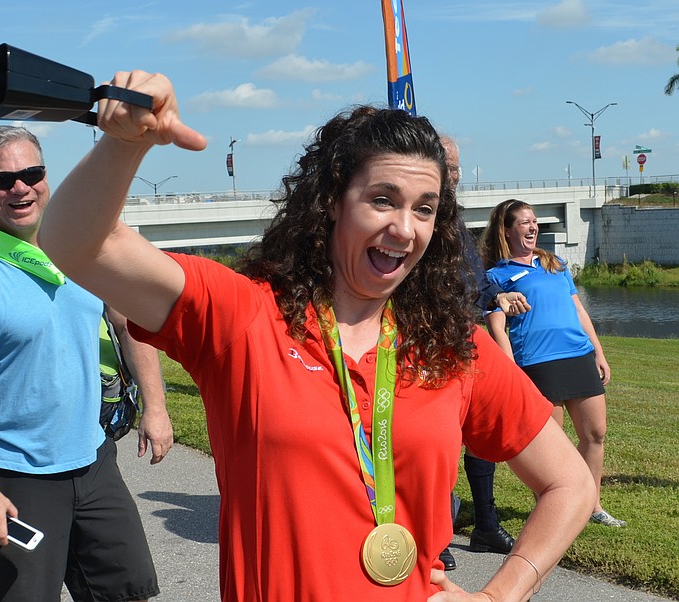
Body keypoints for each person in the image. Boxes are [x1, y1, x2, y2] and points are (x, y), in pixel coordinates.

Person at [38, 71, 596, 601]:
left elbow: (571, 484)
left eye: (424, 209)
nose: (404, 228)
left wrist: (503, 591)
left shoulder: (453, 349)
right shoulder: (242, 316)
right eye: (382, 199)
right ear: (331, 200)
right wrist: (124, 144)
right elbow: (75, 245)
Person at [0, 125, 174, 601]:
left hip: (94, 460)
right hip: (17, 476)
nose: (19, 187)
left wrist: (156, 408)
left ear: (45, 175)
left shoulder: (83, 246)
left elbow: (130, 325)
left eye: (30, 172)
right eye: (0, 179)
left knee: (126, 591)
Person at [480, 198, 626, 528]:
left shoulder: (554, 264)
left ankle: (592, 506)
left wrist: (598, 351)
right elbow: (496, 327)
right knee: (552, 447)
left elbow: (578, 310)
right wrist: (510, 369)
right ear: (507, 230)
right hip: (537, 363)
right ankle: (553, 509)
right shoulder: (495, 277)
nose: (533, 227)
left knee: (596, 434)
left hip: (577, 355)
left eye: (535, 222)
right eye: (524, 222)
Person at [437, 137, 531, 570]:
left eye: (457, 169)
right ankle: (433, 533)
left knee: (477, 433)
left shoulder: (451, 215)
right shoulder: (423, 214)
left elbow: (471, 275)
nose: (454, 176)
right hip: (427, 341)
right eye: (448, 167)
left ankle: (485, 525)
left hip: (464, 339)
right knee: (437, 440)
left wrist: (497, 295)